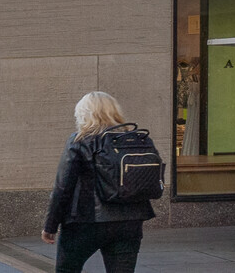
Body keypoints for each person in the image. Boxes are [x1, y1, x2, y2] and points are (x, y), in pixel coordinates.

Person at [41, 92, 159, 273]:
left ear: (84, 114)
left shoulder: (80, 140)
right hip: (130, 221)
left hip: (86, 221)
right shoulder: (137, 139)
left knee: (67, 270)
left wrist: (50, 225)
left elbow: (63, 187)